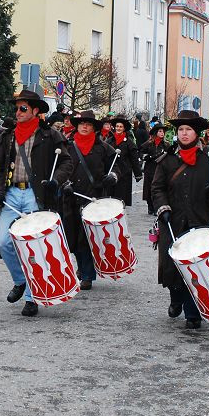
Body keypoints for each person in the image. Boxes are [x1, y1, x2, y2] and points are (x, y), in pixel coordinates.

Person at [0, 90, 73, 318]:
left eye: (22, 108)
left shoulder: (49, 135)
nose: (18, 112)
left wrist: (55, 181)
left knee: (32, 246)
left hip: (37, 195)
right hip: (12, 194)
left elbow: (66, 162)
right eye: (16, 108)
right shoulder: (7, 136)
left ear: (35, 110)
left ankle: (31, 298)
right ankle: (21, 280)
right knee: (3, 241)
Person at [151, 110, 209, 329]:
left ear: (197, 133)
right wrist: (163, 207)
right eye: (180, 129)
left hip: (202, 219)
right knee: (173, 266)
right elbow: (157, 187)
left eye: (188, 129)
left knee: (196, 266)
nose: (184, 133)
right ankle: (176, 298)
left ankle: (193, 312)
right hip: (173, 220)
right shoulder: (167, 159)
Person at [61, 110, 121, 290]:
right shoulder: (68, 147)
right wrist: (64, 184)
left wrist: (113, 176)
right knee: (73, 236)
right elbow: (59, 168)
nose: (84, 127)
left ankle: (87, 275)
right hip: (71, 196)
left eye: (88, 124)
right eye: (81, 124)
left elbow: (117, 165)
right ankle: (81, 267)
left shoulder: (103, 147)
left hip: (93, 198)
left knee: (86, 238)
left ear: (94, 128)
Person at [105, 117, 141, 207]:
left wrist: (138, 174)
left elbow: (134, 159)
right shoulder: (109, 141)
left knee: (121, 198)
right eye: (117, 126)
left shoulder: (129, 143)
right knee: (110, 197)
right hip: (111, 172)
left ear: (124, 128)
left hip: (124, 173)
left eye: (121, 127)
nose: (118, 128)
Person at [139, 123, 167, 214]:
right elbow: (141, 153)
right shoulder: (148, 144)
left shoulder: (166, 144)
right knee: (149, 188)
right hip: (150, 169)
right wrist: (146, 156)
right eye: (160, 131)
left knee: (158, 188)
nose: (162, 133)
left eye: (163, 131)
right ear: (155, 132)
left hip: (161, 170)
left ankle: (157, 207)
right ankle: (150, 206)